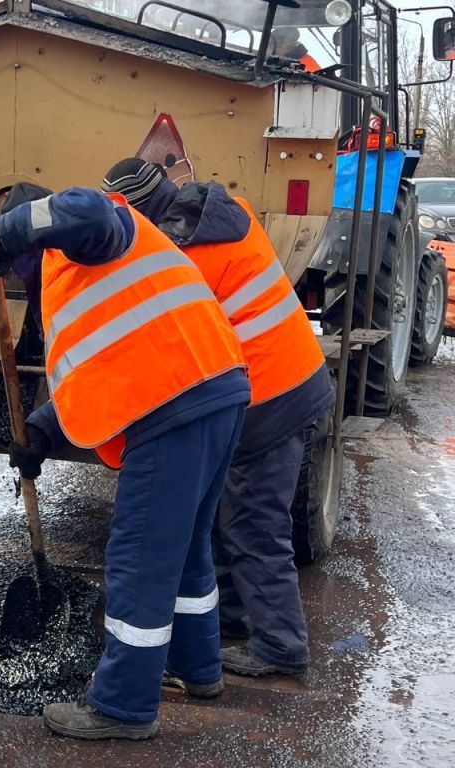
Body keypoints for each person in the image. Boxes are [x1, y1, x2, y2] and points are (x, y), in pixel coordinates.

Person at [0, 184, 250, 740]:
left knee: (140, 556)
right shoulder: (77, 274)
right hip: (213, 390)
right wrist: (42, 433)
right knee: (186, 546)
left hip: (173, 405)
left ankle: (123, 704)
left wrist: (7, 229)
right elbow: (101, 363)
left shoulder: (87, 237)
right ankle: (198, 668)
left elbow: (89, 207)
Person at [102, 158, 334, 678]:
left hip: (270, 396)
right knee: (226, 514)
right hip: (289, 377)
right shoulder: (231, 213)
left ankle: (280, 645)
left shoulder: (179, 260)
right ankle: (231, 617)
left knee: (255, 523)